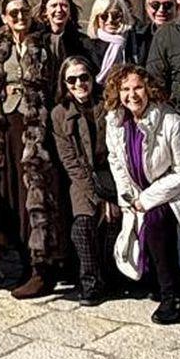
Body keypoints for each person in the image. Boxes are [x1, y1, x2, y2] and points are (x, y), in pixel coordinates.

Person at [105, 64, 180, 323]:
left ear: (149, 89)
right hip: (143, 192)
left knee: (156, 219)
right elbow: (116, 159)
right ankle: (160, 279)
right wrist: (126, 196)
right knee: (146, 223)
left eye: (138, 88)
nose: (132, 95)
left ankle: (173, 297)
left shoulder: (170, 122)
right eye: (125, 89)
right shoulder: (115, 122)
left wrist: (146, 199)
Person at [0, 0, 65, 299]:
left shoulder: (43, 45)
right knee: (12, 195)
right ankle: (25, 262)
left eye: (24, 11)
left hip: (36, 127)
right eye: (13, 13)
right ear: (4, 17)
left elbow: (55, 86)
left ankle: (43, 269)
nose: (20, 17)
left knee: (37, 195)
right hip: (6, 129)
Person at [51, 55, 119, 306]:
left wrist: (110, 196)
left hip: (113, 175)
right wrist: (98, 198)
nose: (79, 84)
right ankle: (91, 282)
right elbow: (70, 161)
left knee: (114, 222)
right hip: (83, 179)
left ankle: (115, 275)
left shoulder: (108, 105)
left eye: (84, 77)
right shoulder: (60, 114)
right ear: (64, 84)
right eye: (72, 80)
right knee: (83, 225)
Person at [86, 0, 142, 85]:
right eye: (104, 16)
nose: (110, 20)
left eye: (116, 15)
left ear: (123, 16)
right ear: (96, 19)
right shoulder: (87, 46)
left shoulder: (136, 41)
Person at [36, 0, 86, 66]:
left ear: (70, 11)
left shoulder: (82, 44)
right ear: (45, 11)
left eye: (64, 6)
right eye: (54, 6)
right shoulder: (36, 42)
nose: (59, 10)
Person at [135, 0, 176, 65]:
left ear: (177, 8)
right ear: (147, 8)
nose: (161, 10)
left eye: (167, 5)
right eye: (155, 5)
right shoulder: (138, 37)